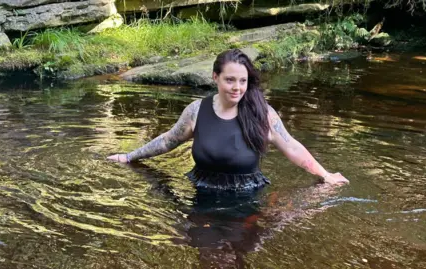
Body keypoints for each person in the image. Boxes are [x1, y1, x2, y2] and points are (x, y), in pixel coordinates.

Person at [107, 49, 349, 190]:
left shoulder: (262, 112)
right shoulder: (196, 111)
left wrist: (324, 174)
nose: (237, 88)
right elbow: (168, 140)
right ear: (215, 77)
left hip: (245, 197)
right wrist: (129, 157)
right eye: (230, 80)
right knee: (203, 249)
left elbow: (291, 145)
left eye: (242, 81)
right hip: (202, 191)